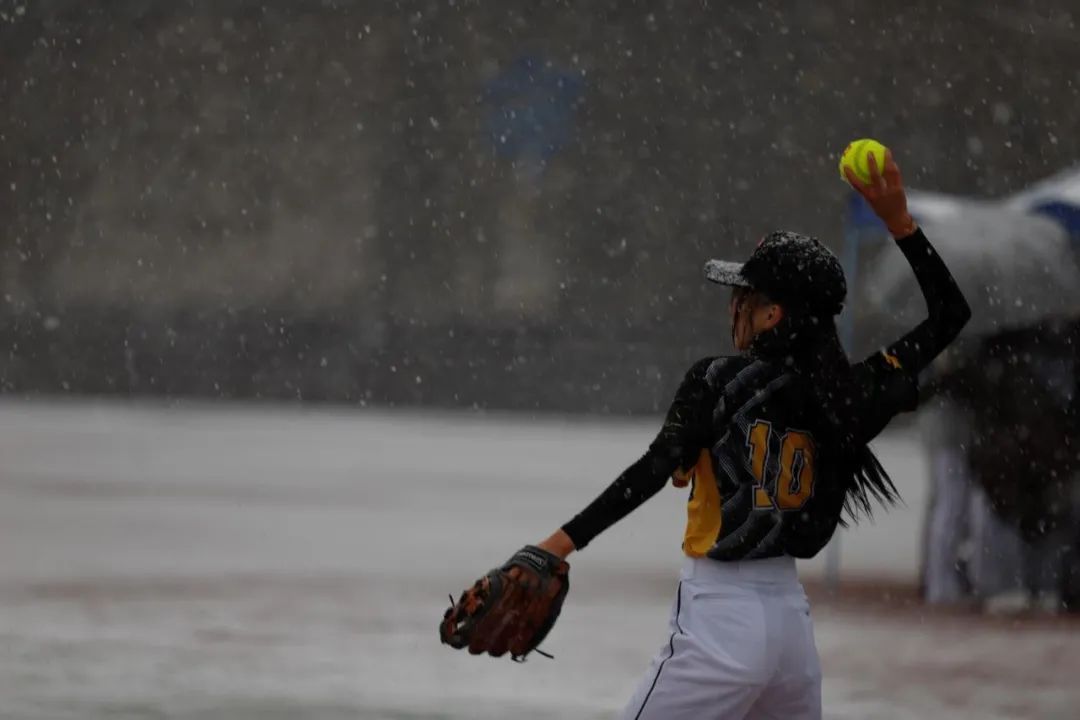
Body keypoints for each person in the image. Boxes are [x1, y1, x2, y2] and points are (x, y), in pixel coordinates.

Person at [532, 151, 971, 720]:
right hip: (790, 627)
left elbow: (650, 470)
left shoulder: (720, 381)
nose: (734, 305)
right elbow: (950, 315)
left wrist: (558, 545)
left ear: (772, 316)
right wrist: (901, 226)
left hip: (720, 616)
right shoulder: (854, 394)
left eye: (745, 295)